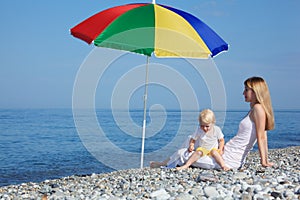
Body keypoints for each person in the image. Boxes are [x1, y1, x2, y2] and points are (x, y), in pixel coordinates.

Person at [151, 76, 275, 170]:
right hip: (225, 153)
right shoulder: (255, 110)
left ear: (256, 91)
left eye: (246, 90)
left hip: (227, 160)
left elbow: (262, 137)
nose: (243, 93)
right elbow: (263, 135)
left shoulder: (258, 109)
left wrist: (264, 162)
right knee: (191, 139)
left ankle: (164, 164)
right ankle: (165, 162)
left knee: (182, 154)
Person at [150, 109, 227, 170]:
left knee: (214, 152)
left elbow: (221, 140)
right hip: (203, 149)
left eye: (207, 126)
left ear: (213, 123)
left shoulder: (216, 129)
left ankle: (223, 166)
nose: (204, 128)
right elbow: (193, 139)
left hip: (212, 149)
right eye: (202, 126)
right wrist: (191, 145)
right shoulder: (199, 130)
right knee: (198, 152)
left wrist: (220, 149)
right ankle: (186, 165)